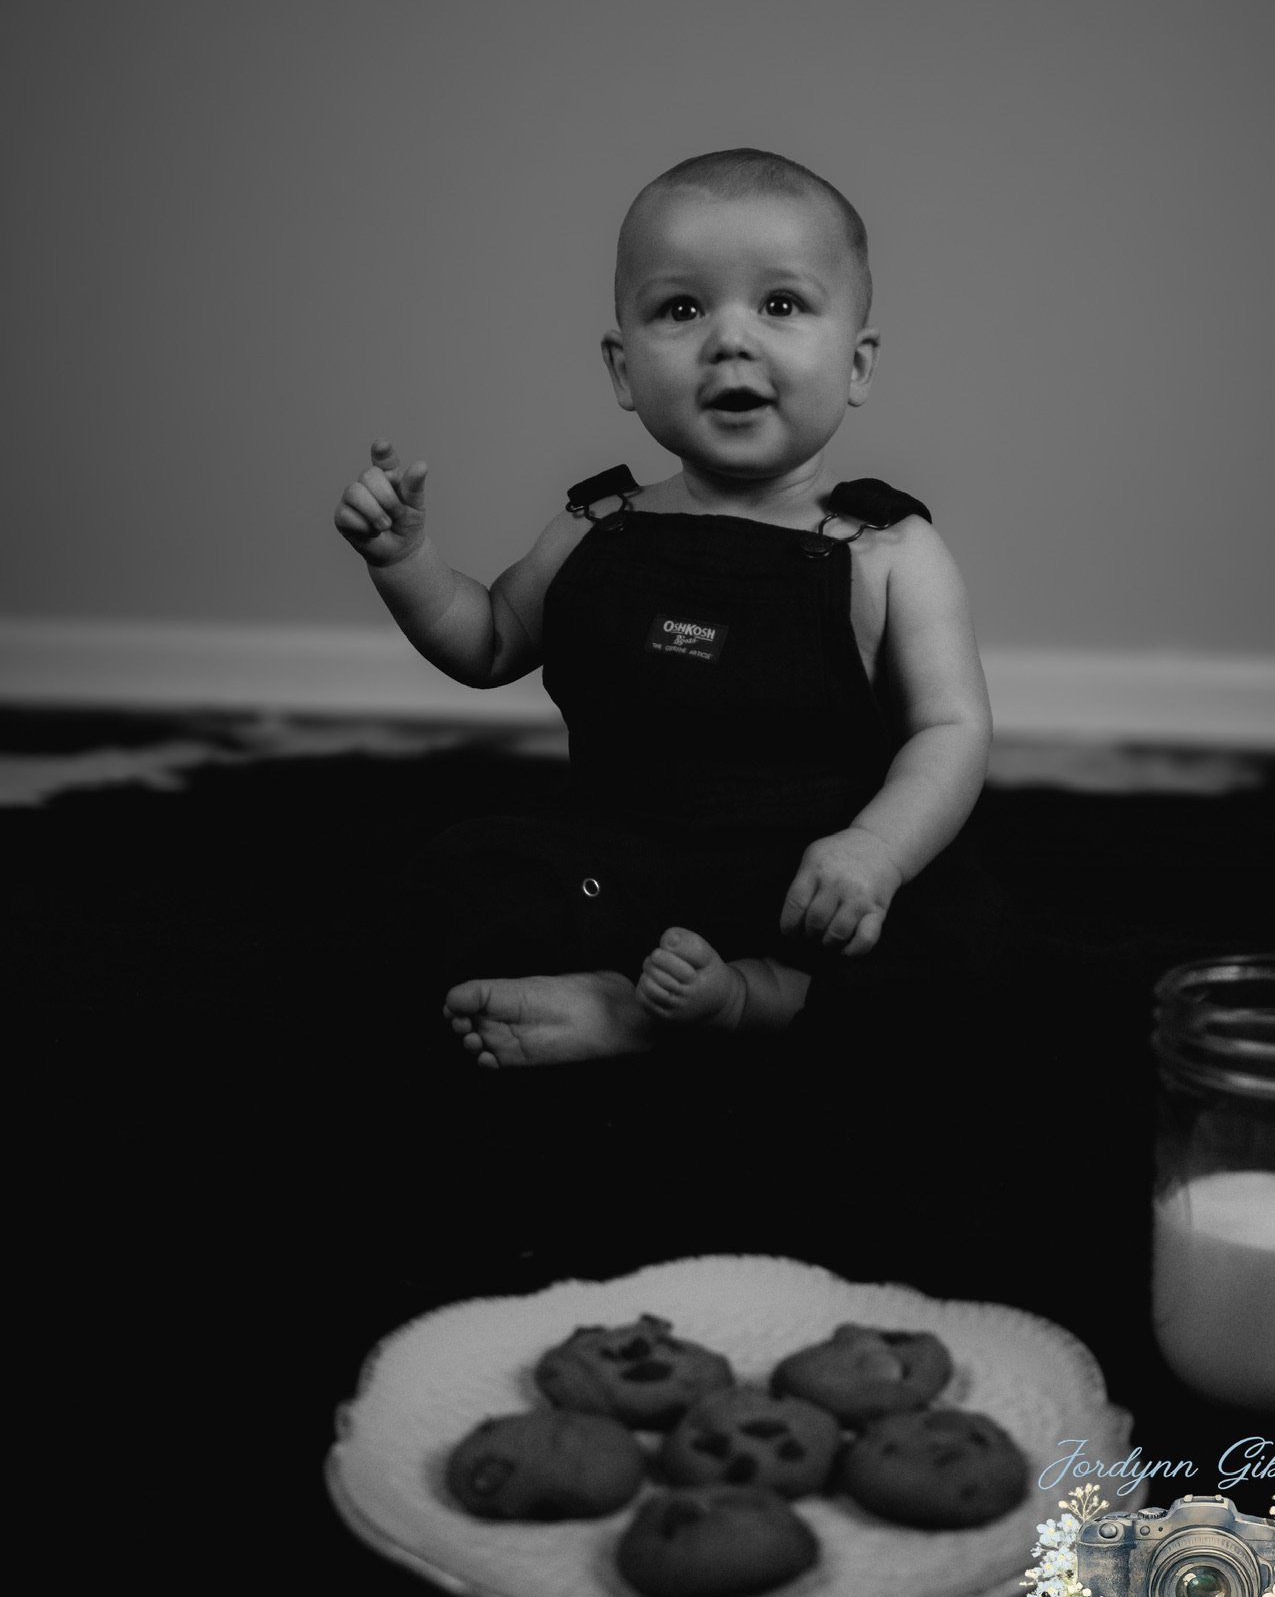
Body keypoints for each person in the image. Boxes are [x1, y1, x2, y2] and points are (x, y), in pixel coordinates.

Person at [334, 148, 994, 1072]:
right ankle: (638, 999)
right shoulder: (597, 525)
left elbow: (952, 729)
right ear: (622, 367)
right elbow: (485, 642)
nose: (731, 339)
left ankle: (733, 1002)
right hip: (622, 860)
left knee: (940, 956)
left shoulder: (887, 552)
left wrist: (872, 854)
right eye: (682, 309)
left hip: (802, 872)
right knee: (459, 879)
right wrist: (406, 561)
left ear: (858, 361)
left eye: (782, 305)